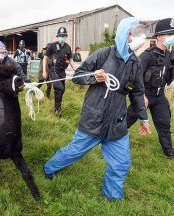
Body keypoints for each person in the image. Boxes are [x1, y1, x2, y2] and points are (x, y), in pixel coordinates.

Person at [44, 17, 151, 200]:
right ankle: (49, 168)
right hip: (94, 119)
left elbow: (137, 92)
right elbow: (78, 76)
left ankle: (113, 198)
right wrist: (94, 76)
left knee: (121, 164)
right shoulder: (103, 54)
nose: (140, 39)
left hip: (117, 122)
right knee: (73, 152)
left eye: (143, 35)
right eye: (136, 34)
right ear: (125, 35)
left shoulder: (136, 63)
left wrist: (143, 118)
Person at [126, 18, 174, 162]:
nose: (173, 37)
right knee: (128, 119)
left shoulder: (169, 53)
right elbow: (135, 76)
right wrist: (141, 95)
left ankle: (170, 153)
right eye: (170, 34)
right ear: (159, 36)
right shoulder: (147, 55)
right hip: (144, 94)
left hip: (160, 95)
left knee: (164, 124)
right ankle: (111, 138)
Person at [42, 27, 77, 117]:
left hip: (62, 72)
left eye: (64, 36)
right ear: (57, 36)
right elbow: (45, 58)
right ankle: (57, 110)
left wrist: (76, 70)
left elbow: (71, 60)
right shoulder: (52, 46)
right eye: (60, 35)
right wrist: (44, 71)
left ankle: (57, 107)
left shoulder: (68, 47)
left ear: (66, 36)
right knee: (59, 89)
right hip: (53, 71)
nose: (62, 37)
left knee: (61, 90)